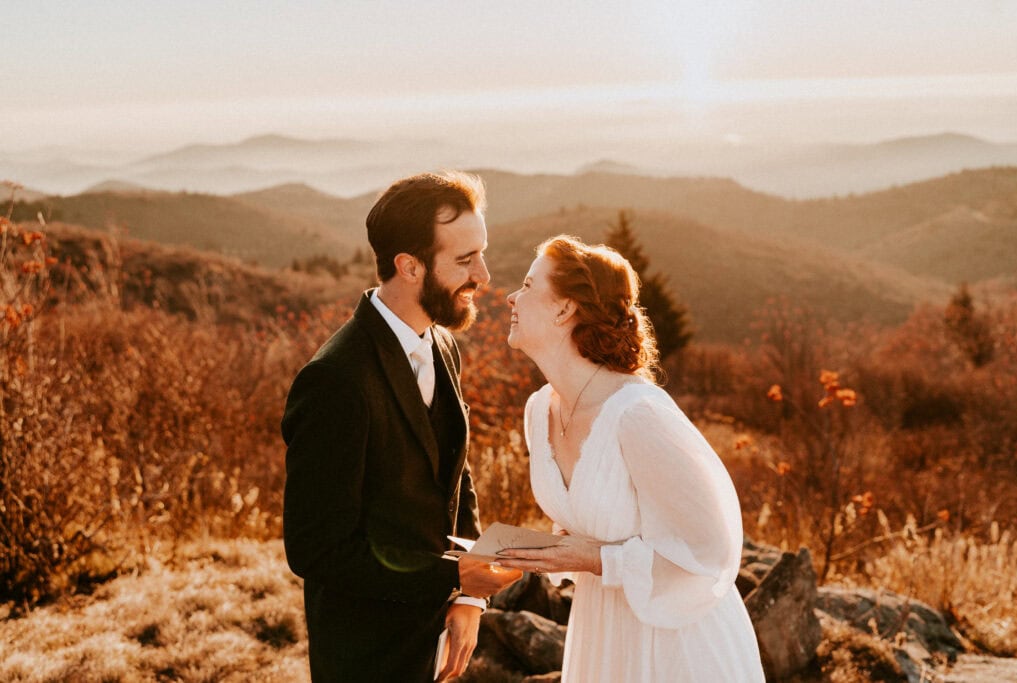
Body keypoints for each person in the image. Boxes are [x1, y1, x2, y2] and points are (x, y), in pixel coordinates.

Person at [282, 171, 522, 682]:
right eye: (464, 260)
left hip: (436, 638)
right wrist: (452, 576)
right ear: (409, 267)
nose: (483, 275)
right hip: (366, 653)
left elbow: (455, 474)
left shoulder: (441, 343)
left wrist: (468, 598)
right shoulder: (334, 380)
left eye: (481, 253)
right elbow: (316, 549)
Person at [497, 235, 764, 682]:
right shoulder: (539, 410)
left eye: (527, 285)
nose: (511, 297)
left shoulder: (639, 414)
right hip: (601, 634)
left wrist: (596, 558)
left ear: (564, 310)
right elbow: (593, 520)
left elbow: (710, 547)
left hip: (673, 643)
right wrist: (538, 553)